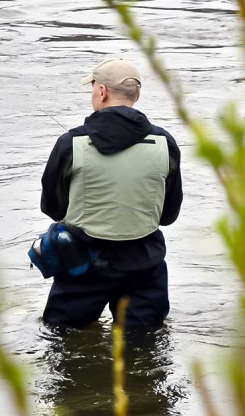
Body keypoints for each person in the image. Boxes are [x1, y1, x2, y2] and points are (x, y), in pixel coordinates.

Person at [40, 58, 183, 330]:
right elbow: (168, 215)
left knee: (63, 339)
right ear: (136, 95)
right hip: (145, 263)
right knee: (144, 343)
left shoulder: (70, 143)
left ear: (102, 91)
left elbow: (52, 207)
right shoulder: (165, 144)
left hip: (82, 263)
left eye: (93, 87)